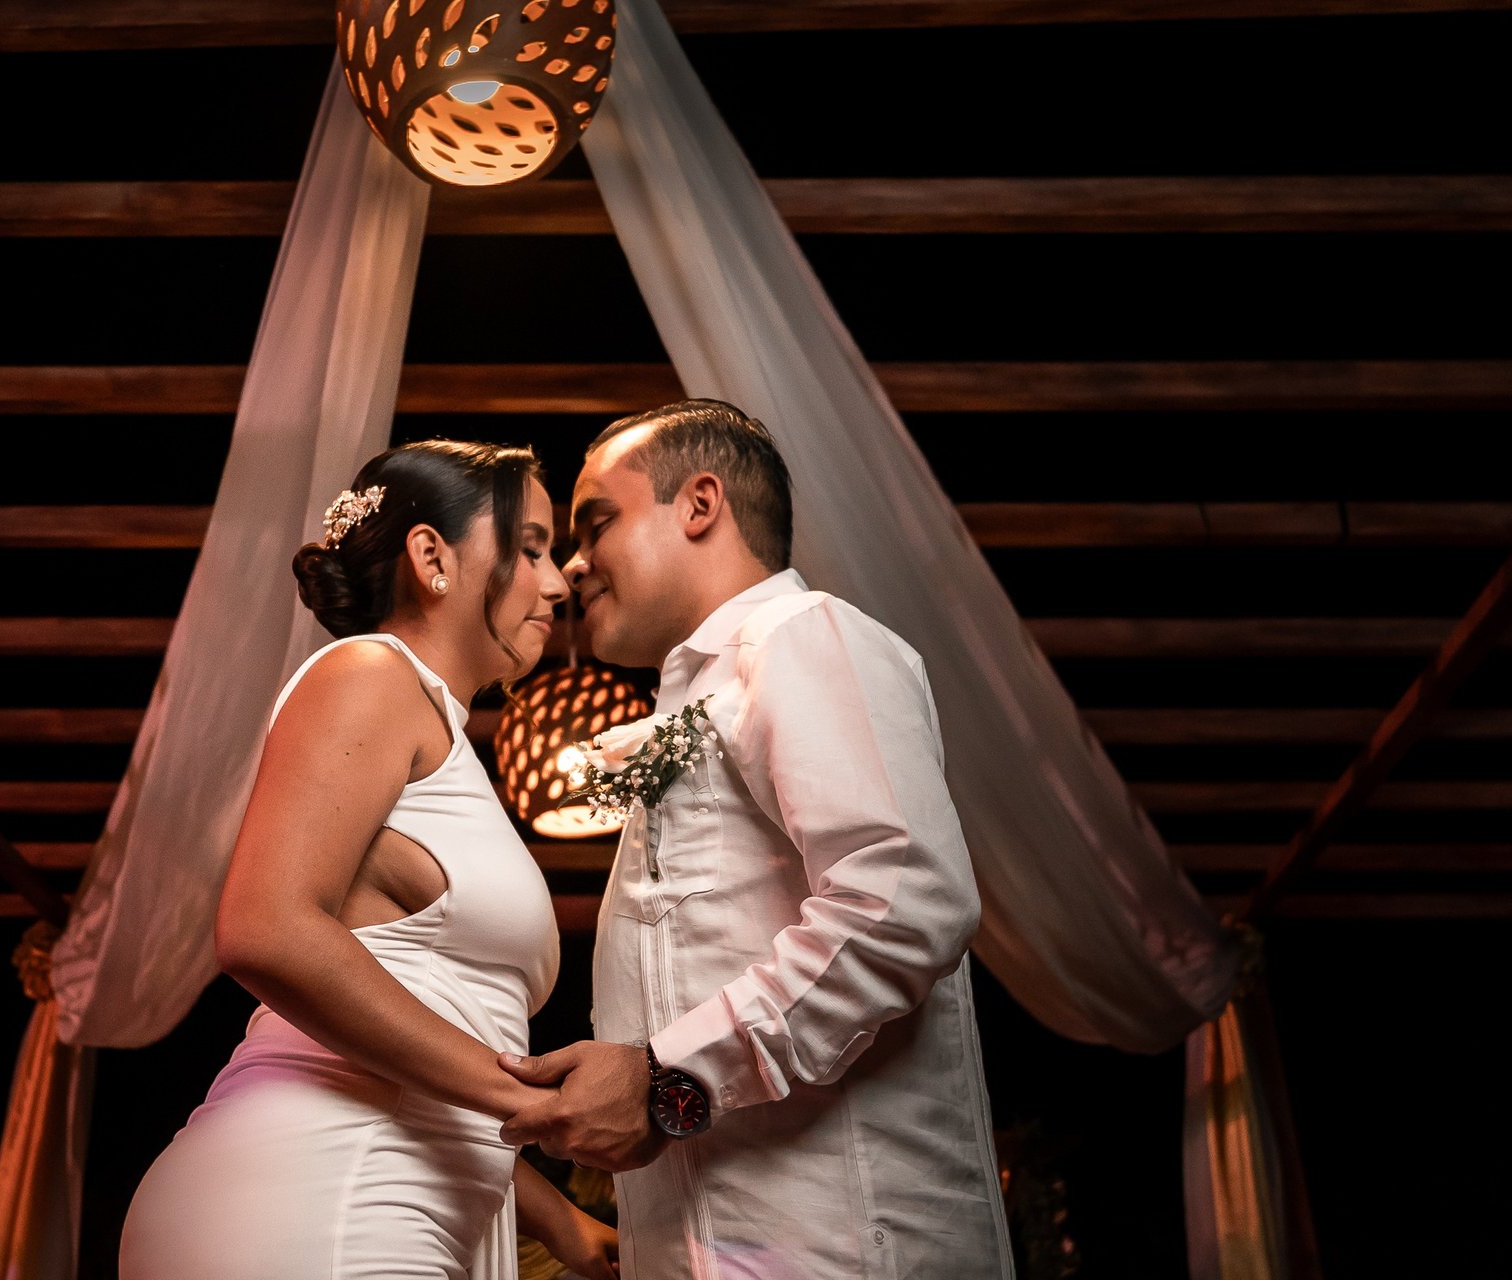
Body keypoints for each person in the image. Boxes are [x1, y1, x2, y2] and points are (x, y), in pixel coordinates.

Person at [499, 401, 1014, 1278]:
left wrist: (670, 1082)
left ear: (700, 505)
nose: (573, 564)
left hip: (843, 1246)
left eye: (596, 522)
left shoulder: (799, 634)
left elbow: (902, 899)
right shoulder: (695, 700)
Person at [120, 440, 619, 1280]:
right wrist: (539, 1105)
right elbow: (265, 928)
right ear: (432, 558)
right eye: (530, 547)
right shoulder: (371, 674)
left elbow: (414, 1055)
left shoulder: (437, 735)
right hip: (320, 1193)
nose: (560, 580)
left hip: (364, 1190)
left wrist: (560, 1220)